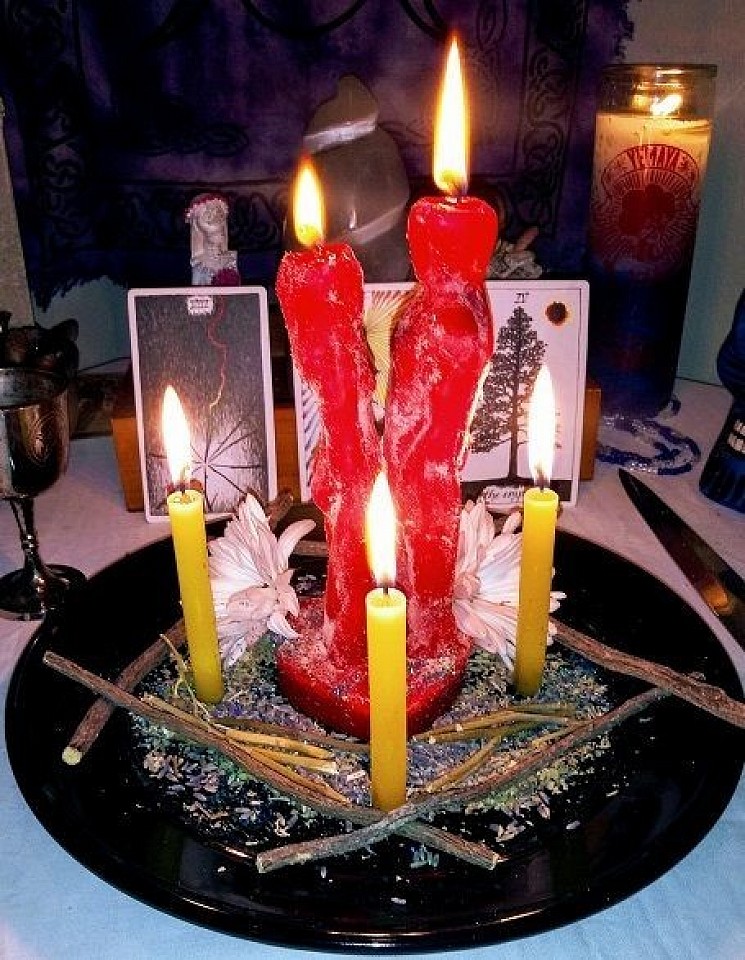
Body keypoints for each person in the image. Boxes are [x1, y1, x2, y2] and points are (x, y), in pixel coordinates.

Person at [185, 193, 241, 286]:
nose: (221, 235)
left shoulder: (230, 260)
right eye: (214, 234)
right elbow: (197, 290)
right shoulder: (199, 264)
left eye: (221, 232)